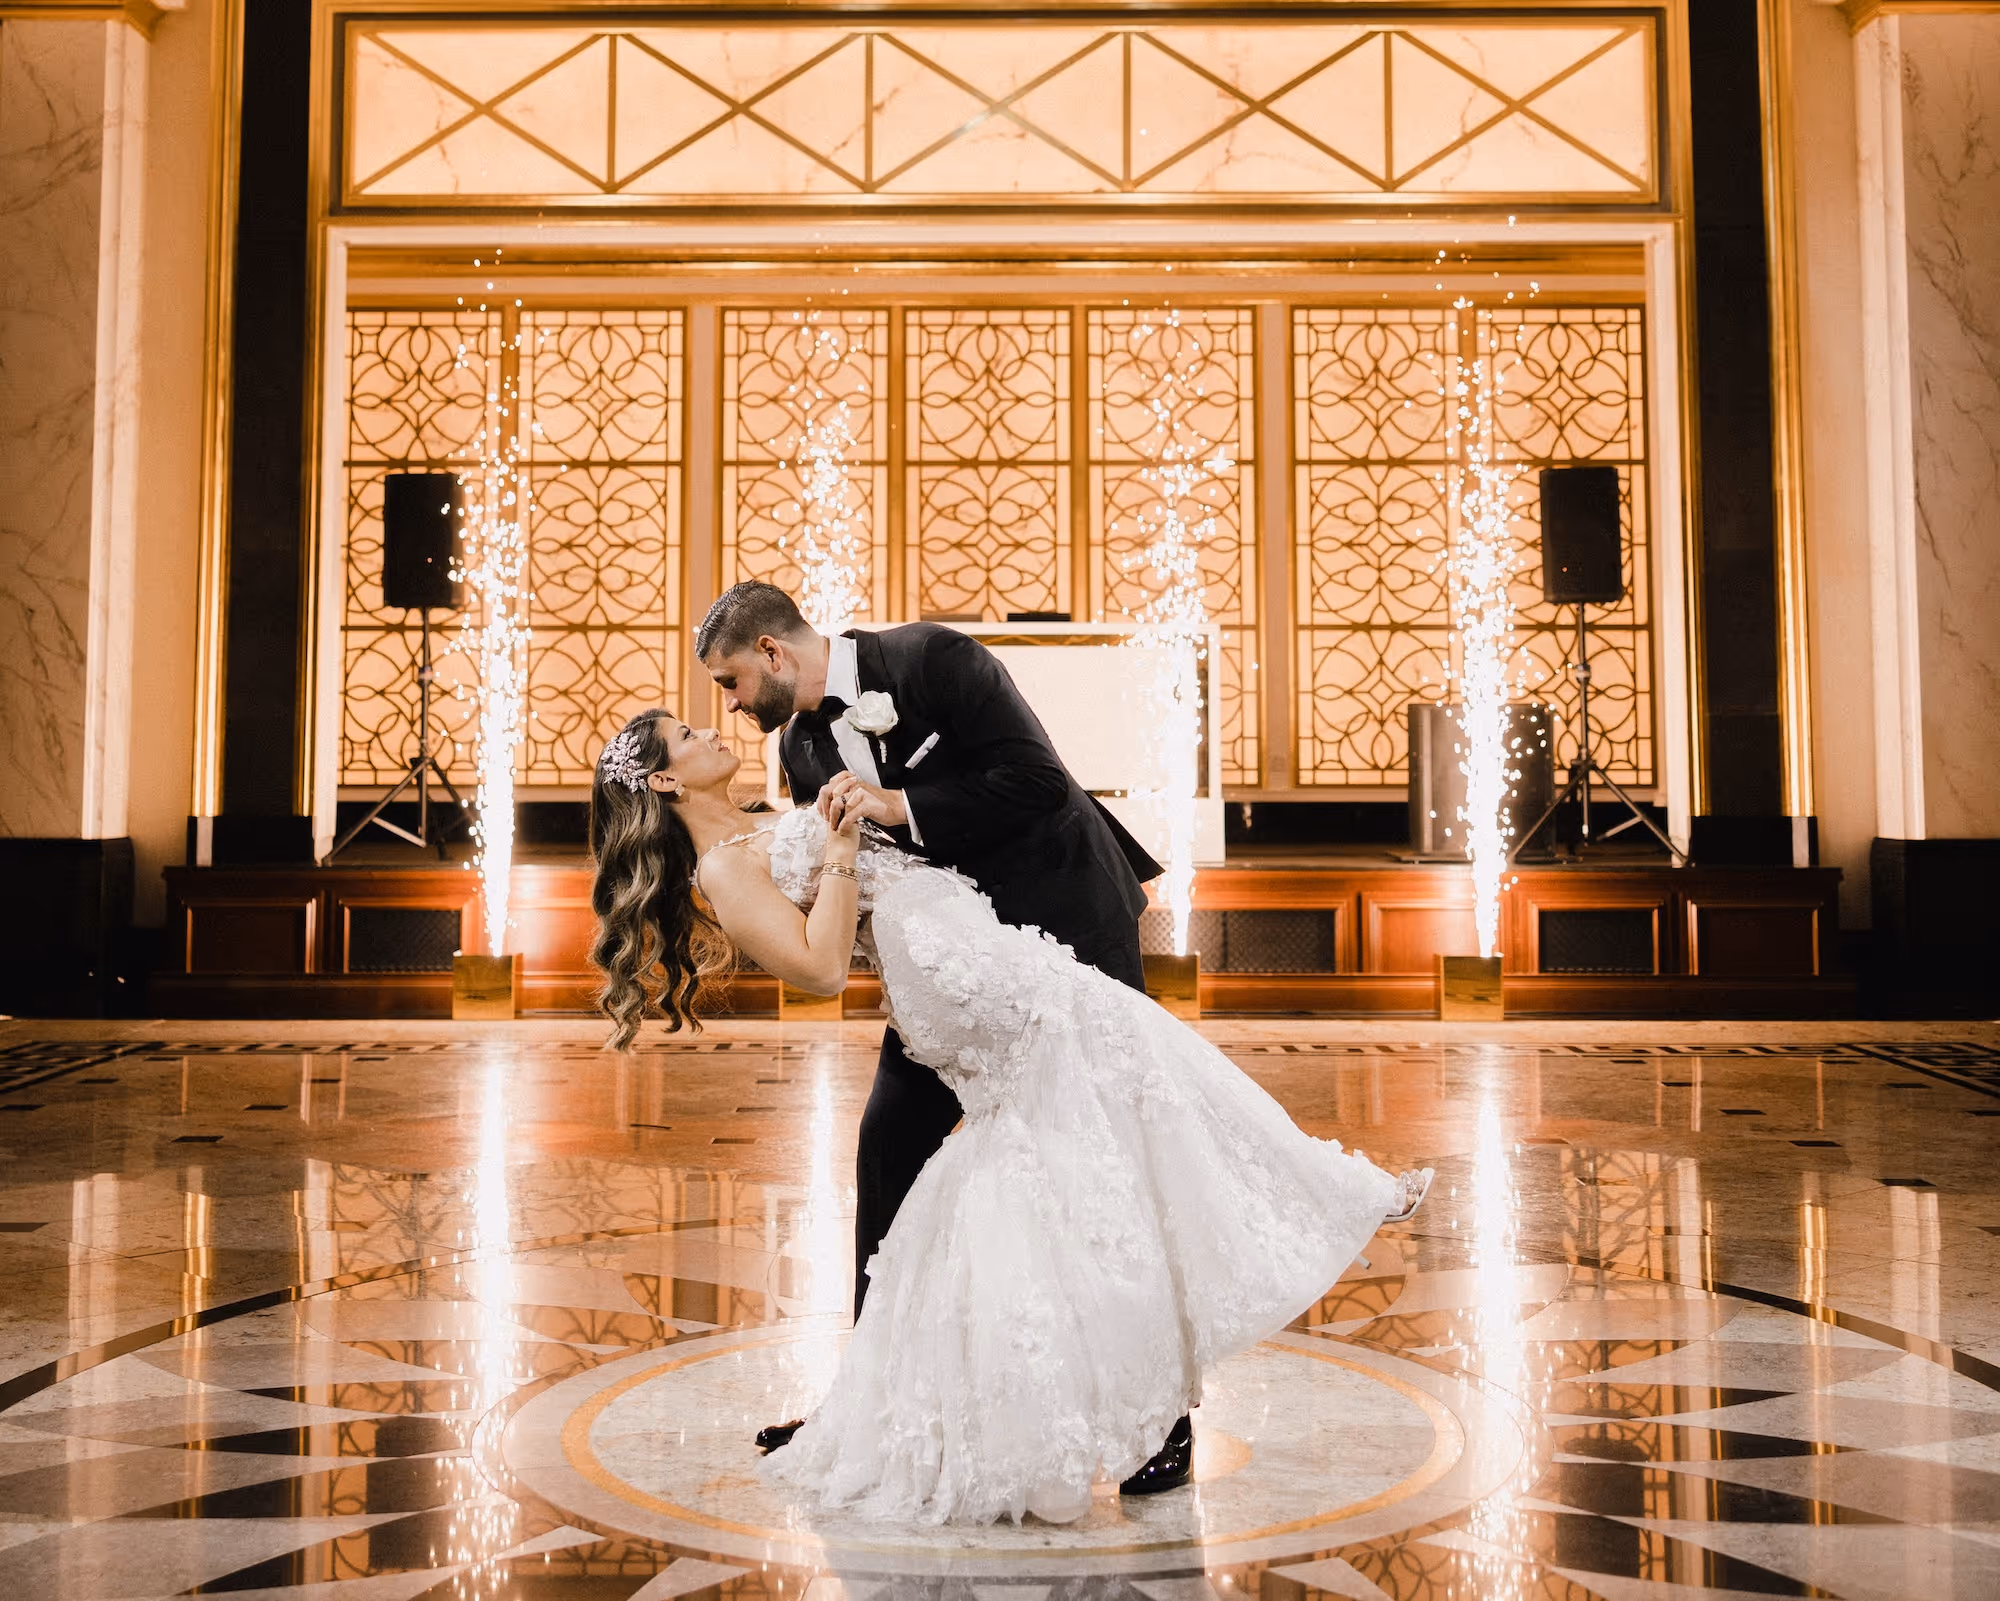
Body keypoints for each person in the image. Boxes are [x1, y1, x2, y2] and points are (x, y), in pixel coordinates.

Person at [586, 677, 1430, 1532]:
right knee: (1133, 1084)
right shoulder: (723, 866)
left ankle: (1034, 1393)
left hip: (983, 946)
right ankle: (1325, 1198)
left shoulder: (764, 813)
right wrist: (840, 847)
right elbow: (819, 968)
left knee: (1098, 1116)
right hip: (962, 985)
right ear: (663, 780)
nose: (710, 728)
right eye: (686, 733)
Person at [692, 583, 1202, 1493]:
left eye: (731, 680)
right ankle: (866, 1404)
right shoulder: (802, 747)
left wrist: (893, 801)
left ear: (772, 652)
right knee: (886, 1144)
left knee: (1101, 1161)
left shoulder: (934, 659)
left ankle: (1162, 1419)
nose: (729, 704)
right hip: (959, 979)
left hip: (1066, 929)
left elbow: (1038, 782)